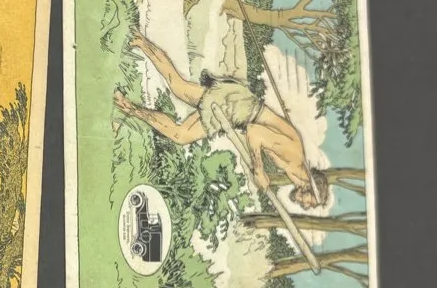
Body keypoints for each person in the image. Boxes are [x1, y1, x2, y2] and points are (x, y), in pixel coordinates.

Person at [113, 31, 326, 209]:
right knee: (180, 134)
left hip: (239, 105)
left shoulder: (293, 169)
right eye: (312, 203)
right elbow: (254, 132)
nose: (307, 206)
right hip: (239, 109)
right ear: (311, 188)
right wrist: (259, 169)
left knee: (178, 87)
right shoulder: (294, 156)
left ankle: (140, 42)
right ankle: (128, 106)